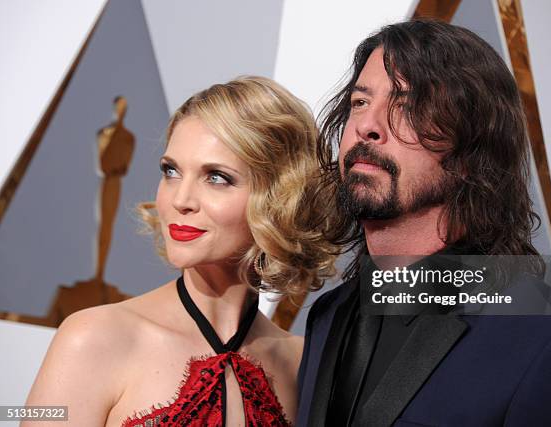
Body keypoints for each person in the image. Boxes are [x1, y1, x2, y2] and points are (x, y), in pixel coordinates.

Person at [297, 20, 551, 426]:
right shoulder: (328, 315)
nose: (366, 126)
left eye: (406, 105)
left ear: (472, 150)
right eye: (360, 102)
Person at [25, 76, 339, 426]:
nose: (180, 200)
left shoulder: (299, 362)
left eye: (216, 177)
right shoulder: (94, 338)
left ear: (280, 197)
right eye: (171, 171)